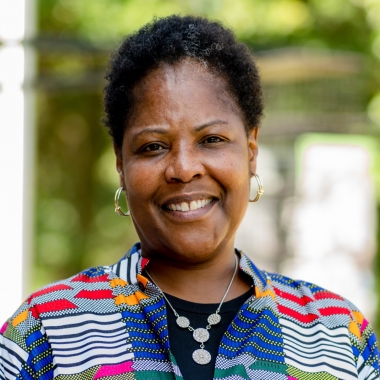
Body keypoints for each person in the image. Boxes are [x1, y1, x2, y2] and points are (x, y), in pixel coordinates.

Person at [0, 15, 379, 380]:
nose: (183, 168)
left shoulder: (337, 334)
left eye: (212, 140)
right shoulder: (45, 331)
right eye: (152, 146)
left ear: (250, 150)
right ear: (120, 162)